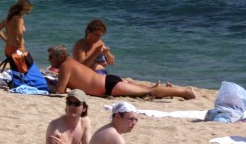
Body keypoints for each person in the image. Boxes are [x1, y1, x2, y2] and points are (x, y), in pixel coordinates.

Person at [47, 46, 196, 100]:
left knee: (148, 92)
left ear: (60, 56)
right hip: (107, 82)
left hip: (108, 86)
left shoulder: (66, 66)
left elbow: (60, 91)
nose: (49, 59)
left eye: (51, 57)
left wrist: (48, 84)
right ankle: (169, 90)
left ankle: (185, 92)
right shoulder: (70, 63)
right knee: (146, 91)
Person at [0, 0, 33, 72]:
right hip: (17, 48)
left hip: (8, 48)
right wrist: (20, 41)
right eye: (28, 9)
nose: (29, 11)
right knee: (22, 70)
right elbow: (19, 32)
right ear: (24, 9)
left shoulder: (9, 18)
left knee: (15, 69)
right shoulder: (19, 19)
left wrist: (5, 40)